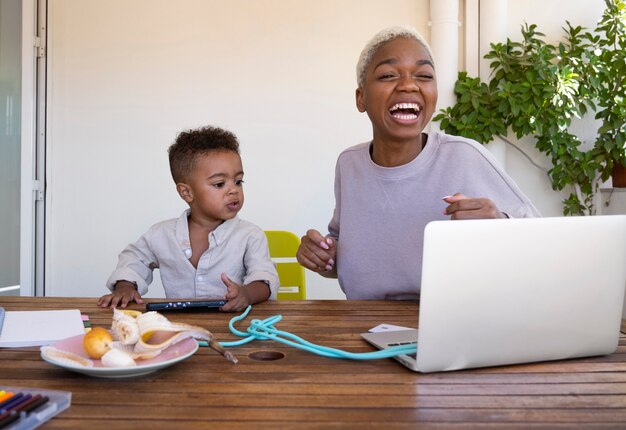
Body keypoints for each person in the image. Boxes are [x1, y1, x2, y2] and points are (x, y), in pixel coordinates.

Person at [296, 25, 540, 300]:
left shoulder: (464, 156)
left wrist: (500, 224)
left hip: (448, 324)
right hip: (363, 324)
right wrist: (323, 256)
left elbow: (541, 244)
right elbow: (349, 260)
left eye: (424, 76)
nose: (409, 85)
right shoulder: (348, 164)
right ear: (361, 97)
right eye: (388, 75)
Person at [97, 125, 279, 311]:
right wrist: (125, 287)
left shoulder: (250, 235)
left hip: (234, 326)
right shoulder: (162, 234)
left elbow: (264, 276)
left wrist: (247, 294)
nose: (233, 190)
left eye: (238, 181)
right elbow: (135, 259)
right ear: (187, 192)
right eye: (219, 184)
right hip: (179, 328)